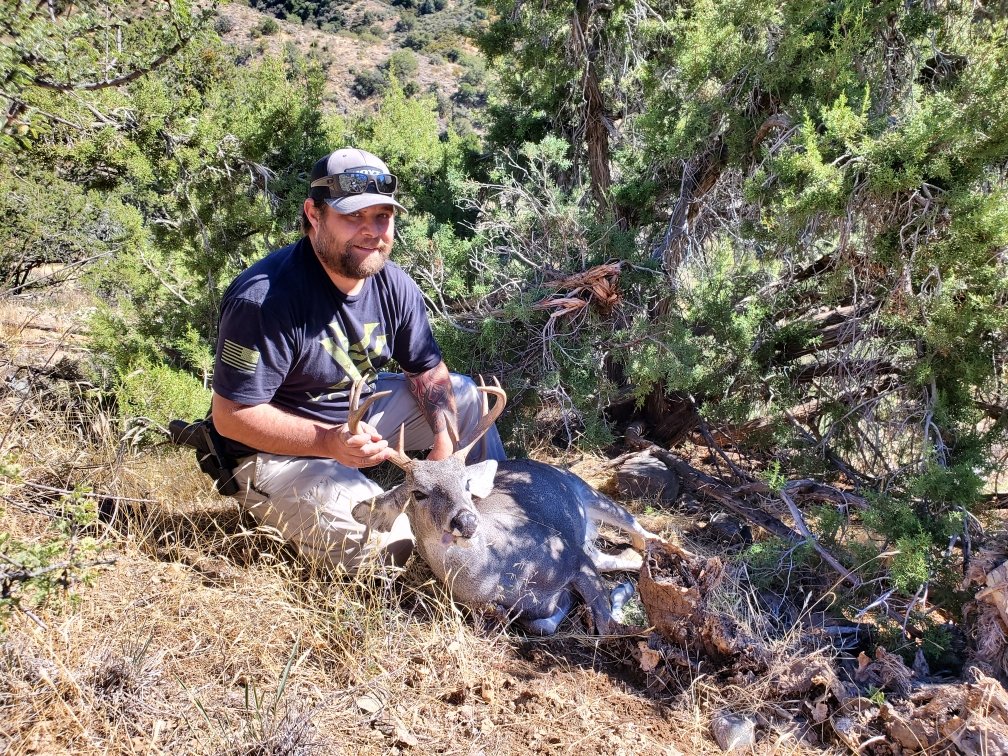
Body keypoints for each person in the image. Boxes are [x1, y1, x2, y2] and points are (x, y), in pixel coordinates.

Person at [209, 147, 506, 573]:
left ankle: (491, 518)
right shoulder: (264, 300)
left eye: (382, 216)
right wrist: (328, 443)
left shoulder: (393, 284)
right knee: (388, 546)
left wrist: (445, 447)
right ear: (314, 214)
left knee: (465, 397)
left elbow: (428, 372)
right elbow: (232, 417)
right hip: (275, 452)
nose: (372, 232)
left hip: (357, 421)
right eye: (353, 216)